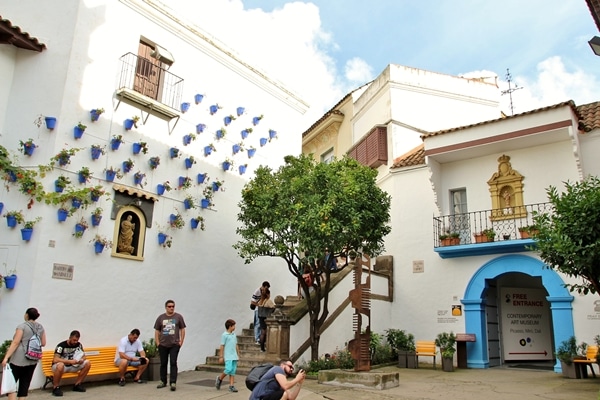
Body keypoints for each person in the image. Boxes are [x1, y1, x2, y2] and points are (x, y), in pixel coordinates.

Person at [1, 308, 46, 400]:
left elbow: (15, 342)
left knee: (12, 383)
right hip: (33, 359)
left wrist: (6, 357)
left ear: (26, 315)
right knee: (25, 384)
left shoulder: (22, 326)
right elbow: (43, 343)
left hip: (18, 359)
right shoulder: (40, 327)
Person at [154, 299, 186, 391]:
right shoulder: (161, 318)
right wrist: (158, 343)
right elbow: (157, 330)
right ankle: (163, 381)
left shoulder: (178, 317)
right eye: (169, 306)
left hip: (174, 344)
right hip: (163, 344)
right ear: (166, 307)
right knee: (163, 363)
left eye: (173, 306)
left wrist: (181, 341)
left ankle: (173, 382)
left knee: (173, 362)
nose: (171, 308)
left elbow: (182, 329)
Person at [51, 330, 91, 397]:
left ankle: (77, 385)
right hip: (62, 366)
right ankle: (55, 387)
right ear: (70, 338)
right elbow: (55, 359)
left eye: (77, 340)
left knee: (88, 363)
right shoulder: (61, 346)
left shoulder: (79, 345)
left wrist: (81, 360)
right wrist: (70, 361)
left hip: (73, 365)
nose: (75, 342)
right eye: (74, 340)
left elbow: (84, 356)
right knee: (60, 365)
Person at [215, 319, 240, 393]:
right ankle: (220, 378)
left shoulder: (234, 335)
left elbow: (236, 344)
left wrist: (238, 353)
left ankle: (231, 386)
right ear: (230, 326)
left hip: (234, 355)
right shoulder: (224, 335)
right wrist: (221, 356)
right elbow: (222, 346)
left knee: (233, 371)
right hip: (228, 356)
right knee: (228, 369)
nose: (235, 327)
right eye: (233, 326)